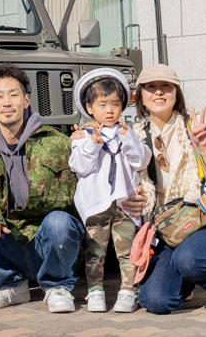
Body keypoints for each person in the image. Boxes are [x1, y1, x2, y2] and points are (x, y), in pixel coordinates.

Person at [0, 63, 83, 313]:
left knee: (59, 222)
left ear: (26, 99)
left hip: (48, 244)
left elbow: (91, 176)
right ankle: (10, 284)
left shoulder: (56, 143)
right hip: (7, 242)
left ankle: (57, 285)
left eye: (13, 95)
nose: (6, 102)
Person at [130, 64, 206, 314]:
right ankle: (186, 280)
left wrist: (205, 148)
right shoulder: (134, 137)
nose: (158, 93)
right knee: (156, 302)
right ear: (141, 96)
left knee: (190, 259)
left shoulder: (201, 128)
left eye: (165, 87)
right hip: (166, 229)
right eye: (151, 87)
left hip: (205, 223)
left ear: (176, 93)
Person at [69, 68, 151, 313]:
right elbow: (79, 167)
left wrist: (128, 138)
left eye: (115, 104)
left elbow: (141, 161)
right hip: (96, 204)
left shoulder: (131, 133)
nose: (109, 110)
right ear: (89, 107)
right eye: (102, 104)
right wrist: (92, 145)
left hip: (124, 204)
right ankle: (95, 291)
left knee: (127, 250)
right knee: (96, 251)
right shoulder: (82, 136)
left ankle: (128, 291)